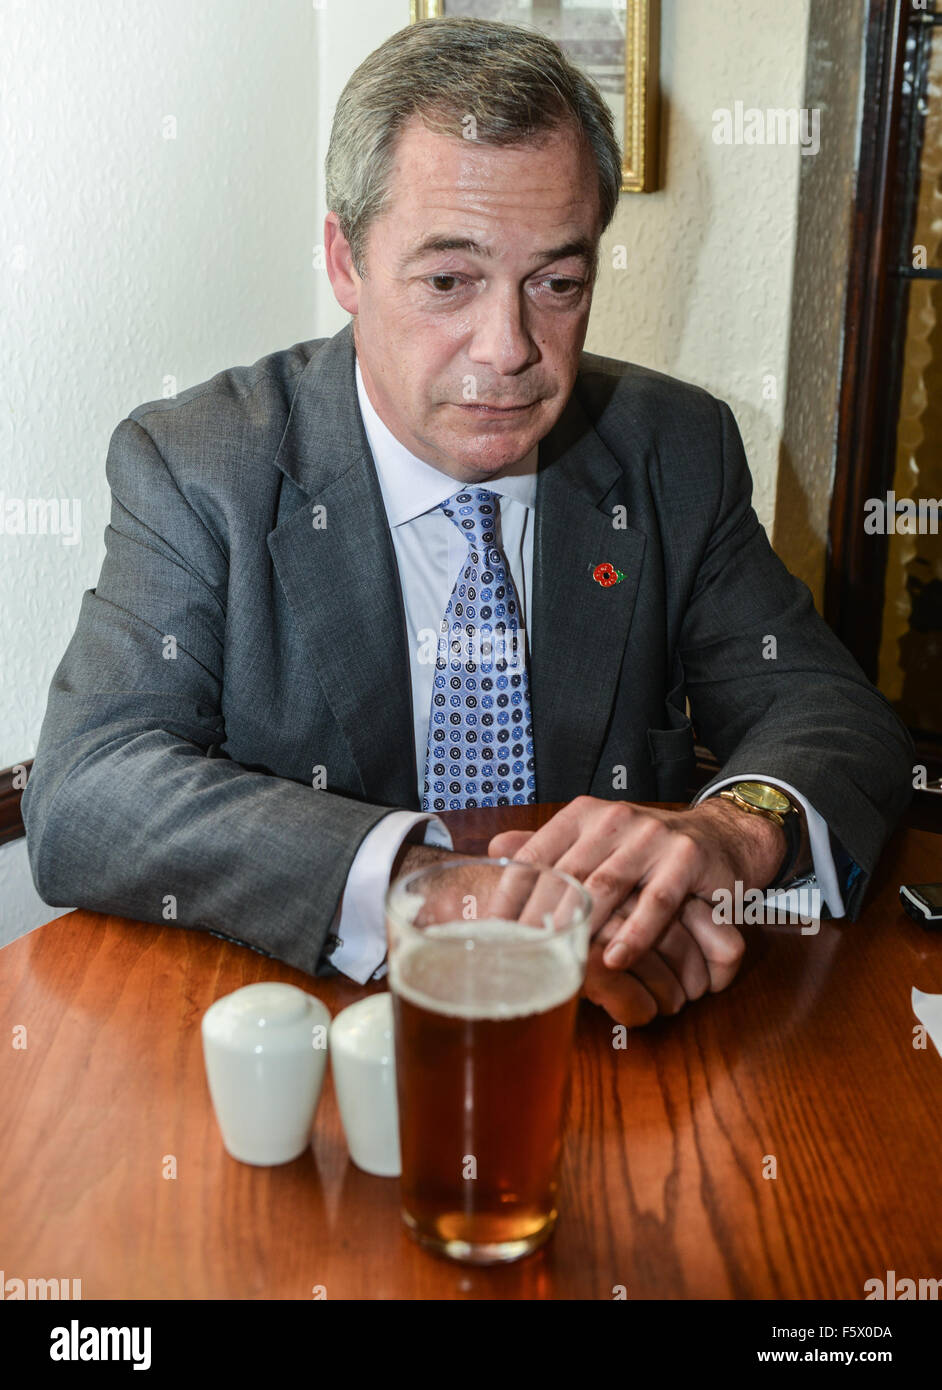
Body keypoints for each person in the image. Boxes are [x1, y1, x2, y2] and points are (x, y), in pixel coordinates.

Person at [22, 17, 913, 1026]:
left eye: (558, 284)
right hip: (314, 1032)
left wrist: (733, 833)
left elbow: (833, 715)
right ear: (346, 262)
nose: (511, 348)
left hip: (619, 1025)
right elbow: (87, 789)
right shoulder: (201, 463)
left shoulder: (674, 448)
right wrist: (425, 888)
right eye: (449, 280)